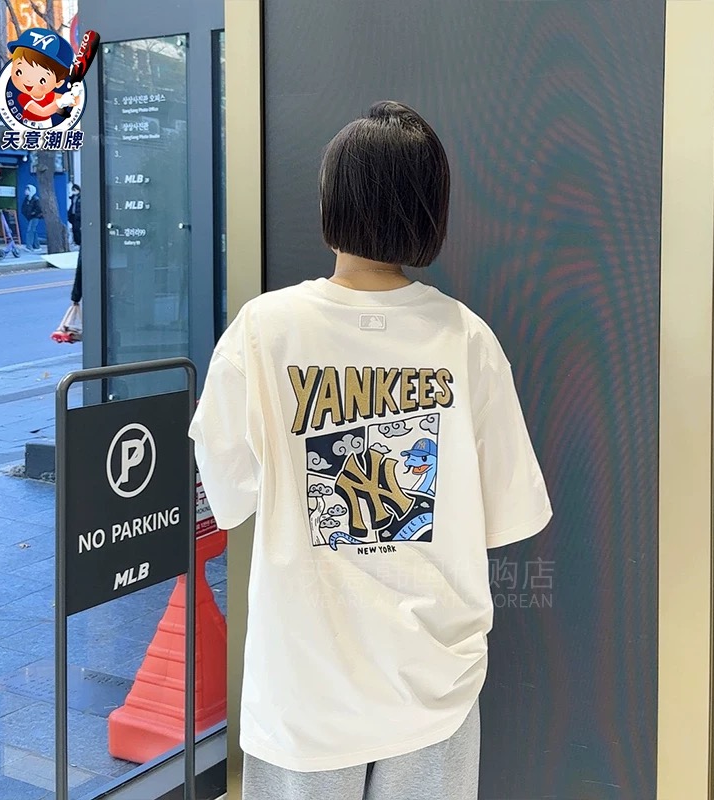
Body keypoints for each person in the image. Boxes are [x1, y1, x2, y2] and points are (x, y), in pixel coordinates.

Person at [189, 101, 553, 800]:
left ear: (332, 198)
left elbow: (227, 491)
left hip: (304, 688)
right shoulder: (467, 340)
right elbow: (508, 512)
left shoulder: (263, 332)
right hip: (433, 683)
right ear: (432, 209)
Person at [21, 184, 43, 251]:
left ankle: (29, 246)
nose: (25, 191)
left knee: (30, 230)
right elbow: (24, 207)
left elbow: (39, 209)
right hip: (29, 217)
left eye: (27, 190)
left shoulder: (36, 199)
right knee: (33, 231)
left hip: (35, 217)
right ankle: (37, 246)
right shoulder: (27, 199)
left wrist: (33, 213)